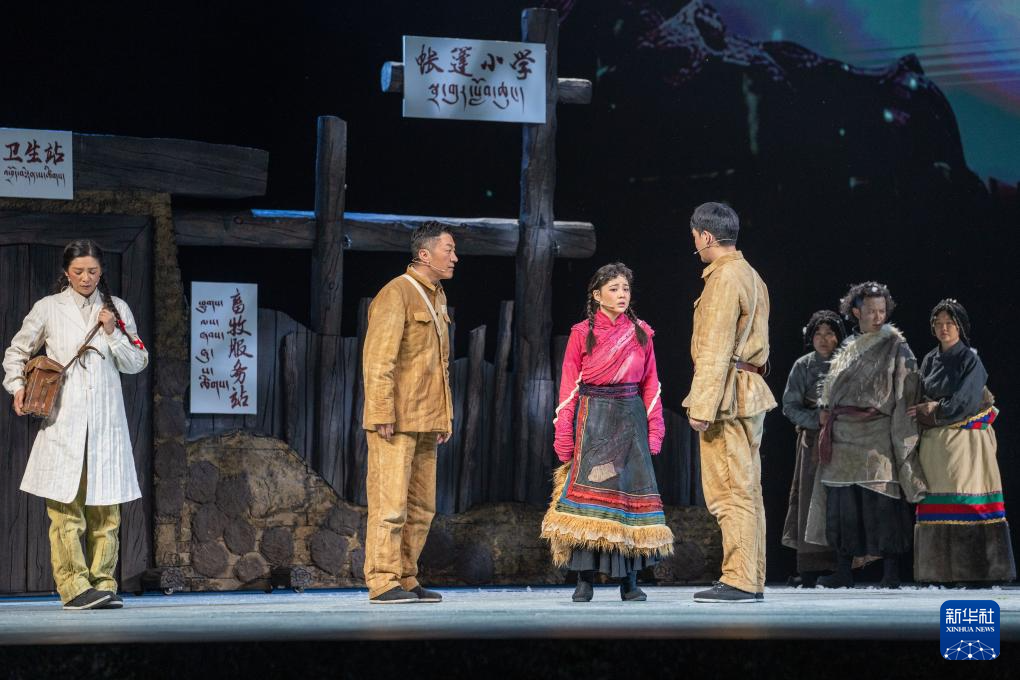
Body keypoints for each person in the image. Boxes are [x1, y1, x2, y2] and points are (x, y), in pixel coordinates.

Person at [3, 239, 148, 610]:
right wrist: (17, 386)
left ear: (102, 272)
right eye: (79, 271)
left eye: (93, 271)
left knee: (107, 511)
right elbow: (17, 351)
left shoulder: (117, 309)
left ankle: (104, 583)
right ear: (67, 273)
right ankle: (73, 587)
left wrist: (112, 332)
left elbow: (137, 362)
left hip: (106, 424)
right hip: (63, 423)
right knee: (66, 510)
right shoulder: (49, 308)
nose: (86, 278)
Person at [541, 262, 673, 602]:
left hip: (630, 420)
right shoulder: (581, 333)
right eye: (614, 289)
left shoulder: (641, 332)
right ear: (597, 295)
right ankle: (584, 579)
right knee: (590, 501)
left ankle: (629, 581)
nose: (621, 294)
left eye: (625, 288)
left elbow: (651, 385)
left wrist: (654, 430)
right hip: (594, 419)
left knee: (627, 499)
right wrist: (564, 432)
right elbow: (569, 386)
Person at [683, 202, 776, 603]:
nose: (696, 246)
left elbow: (716, 346)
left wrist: (701, 407)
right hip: (748, 389)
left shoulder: (723, 278)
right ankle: (751, 577)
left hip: (728, 395)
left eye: (695, 238)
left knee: (729, 491)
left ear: (706, 236)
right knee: (748, 489)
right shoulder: (751, 274)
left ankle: (739, 578)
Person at [807, 282, 927, 589]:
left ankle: (891, 572)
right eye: (871, 311)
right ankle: (843, 571)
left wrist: (902, 439)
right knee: (842, 505)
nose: (877, 317)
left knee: (883, 503)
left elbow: (905, 394)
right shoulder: (848, 346)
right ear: (856, 312)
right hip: (843, 436)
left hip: (876, 435)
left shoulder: (896, 346)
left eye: (882, 311)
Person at [361, 221, 456, 604]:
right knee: (390, 505)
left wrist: (445, 416)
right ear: (424, 254)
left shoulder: (438, 297)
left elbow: (440, 365)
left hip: (427, 419)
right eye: (448, 249)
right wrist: (381, 411)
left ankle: (405, 576)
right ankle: (382, 580)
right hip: (396, 420)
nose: (454, 257)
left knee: (421, 508)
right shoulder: (396, 293)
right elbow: (378, 359)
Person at [910, 299, 1016, 584]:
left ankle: (975, 571)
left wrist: (935, 410)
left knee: (965, 499)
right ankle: (939, 572)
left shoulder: (970, 359)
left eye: (950, 323)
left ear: (960, 327)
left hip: (965, 442)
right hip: (936, 444)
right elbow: (921, 392)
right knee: (937, 503)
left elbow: (966, 401)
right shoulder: (930, 359)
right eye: (939, 323)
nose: (944, 328)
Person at [780, 310, 845, 587]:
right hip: (812, 443)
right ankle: (809, 570)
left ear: (838, 337)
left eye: (829, 333)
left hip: (844, 441)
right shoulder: (803, 366)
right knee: (809, 501)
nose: (823, 338)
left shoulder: (848, 364)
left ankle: (842, 567)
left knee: (840, 501)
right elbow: (789, 406)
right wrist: (816, 419)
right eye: (818, 333)